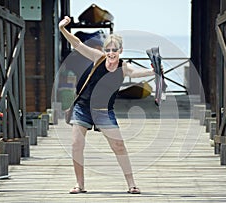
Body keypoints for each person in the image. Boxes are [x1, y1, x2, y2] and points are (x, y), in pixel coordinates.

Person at [59, 16, 156, 194]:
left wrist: (153, 71)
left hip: (103, 112)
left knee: (118, 146)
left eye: (115, 50)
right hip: (82, 108)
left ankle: (131, 184)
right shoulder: (98, 58)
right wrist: (62, 29)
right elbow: (78, 44)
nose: (111, 53)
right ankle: (80, 184)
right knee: (76, 145)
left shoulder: (123, 67)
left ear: (121, 50)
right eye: (108, 49)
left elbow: (136, 73)